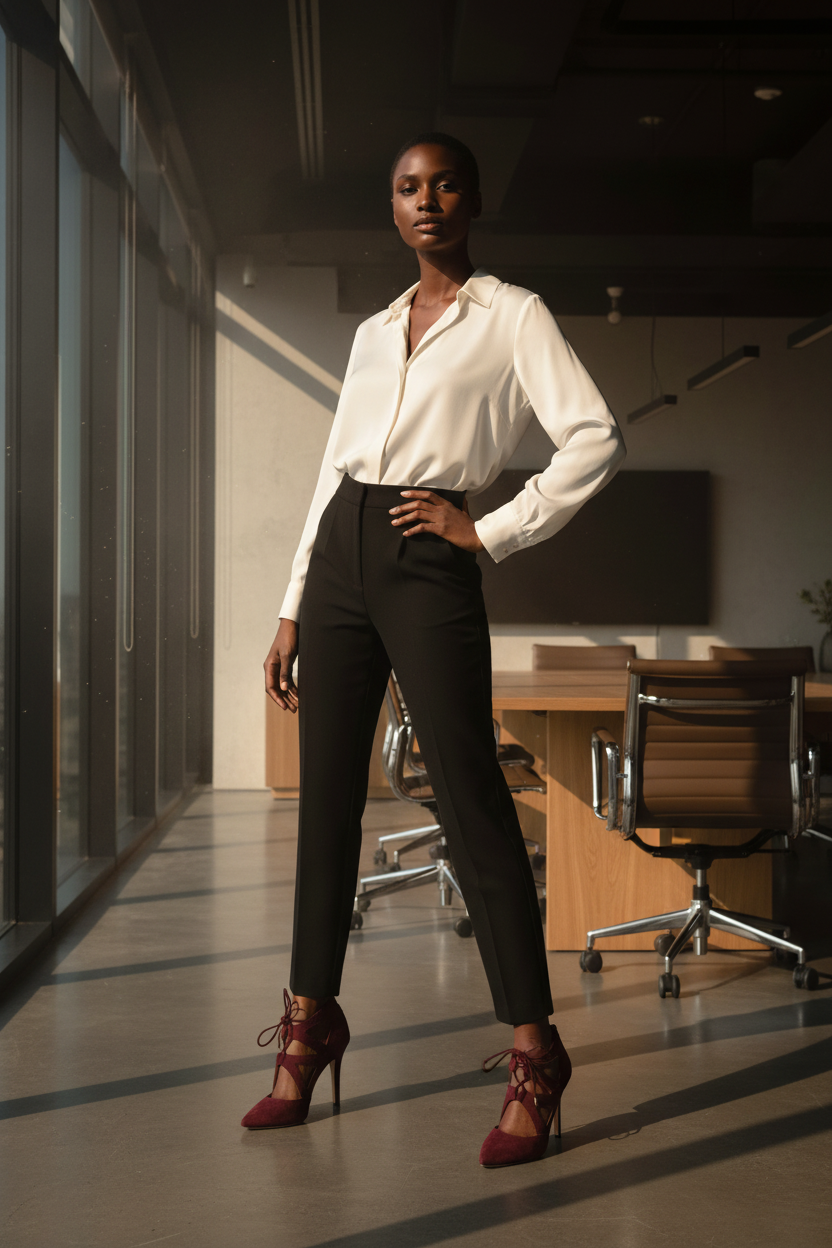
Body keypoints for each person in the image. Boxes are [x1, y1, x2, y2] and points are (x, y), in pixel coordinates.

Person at [241, 133, 626, 1166]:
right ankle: (309, 1021)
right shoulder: (372, 332)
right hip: (338, 560)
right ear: (393, 207)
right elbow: (333, 469)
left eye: (444, 183)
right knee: (326, 799)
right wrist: (289, 606)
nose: (427, 200)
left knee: (467, 792)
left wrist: (489, 529)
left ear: (473, 198)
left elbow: (594, 435)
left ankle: (535, 1054)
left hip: (425, 551)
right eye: (408, 187)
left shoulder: (513, 317)